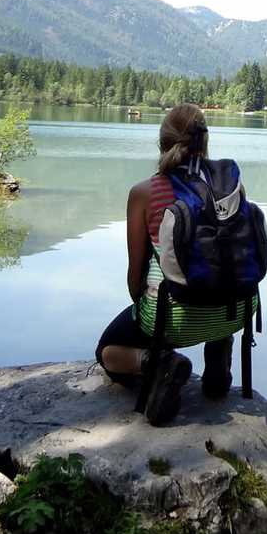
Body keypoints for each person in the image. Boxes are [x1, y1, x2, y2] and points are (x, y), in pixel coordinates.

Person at [95, 103, 250, 425]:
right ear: (205, 142)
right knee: (215, 275)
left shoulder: (144, 193)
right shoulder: (232, 185)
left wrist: (139, 301)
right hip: (234, 310)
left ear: (162, 143)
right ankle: (218, 356)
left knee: (107, 351)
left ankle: (159, 362)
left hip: (173, 318)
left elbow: (134, 277)